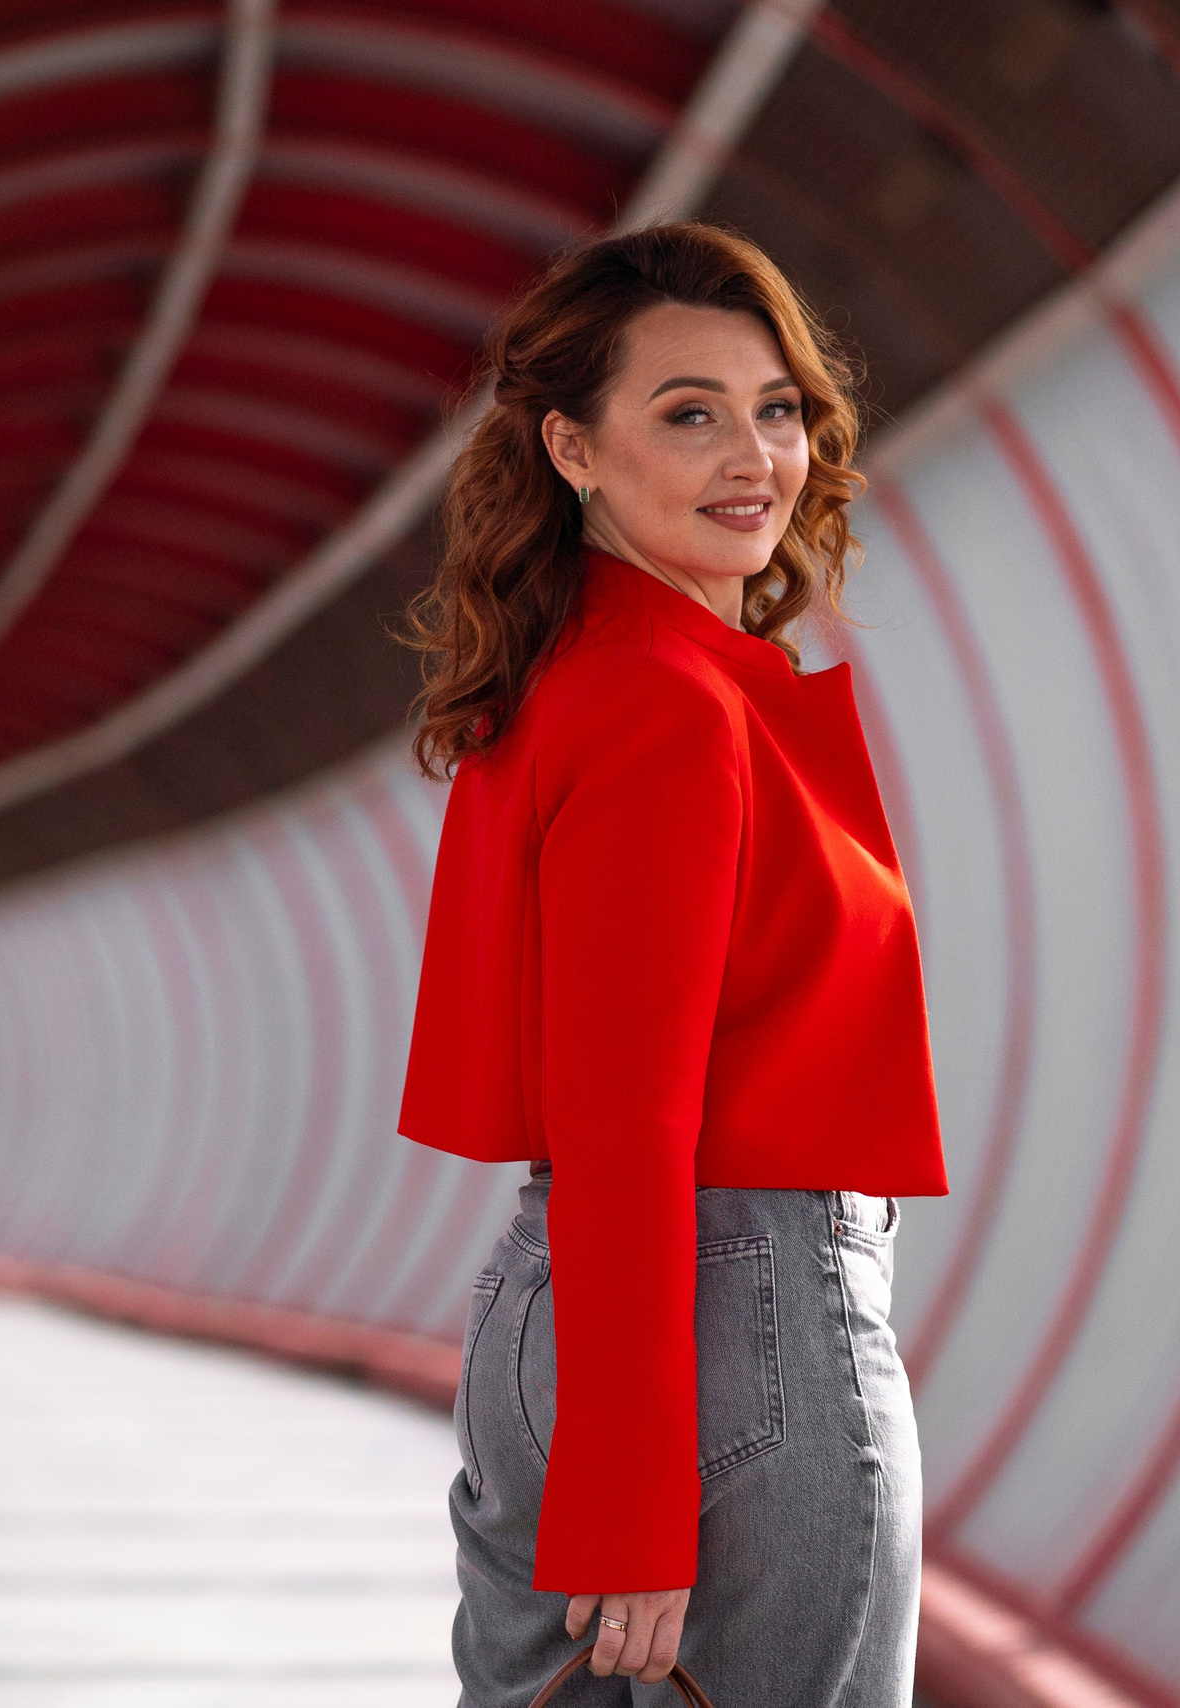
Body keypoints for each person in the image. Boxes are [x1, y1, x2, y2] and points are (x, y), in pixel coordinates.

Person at [397, 221, 949, 1708]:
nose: (752, 456)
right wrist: (632, 1503)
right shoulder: (668, 709)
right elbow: (630, 1114)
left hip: (568, 1312)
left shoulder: (573, 678)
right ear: (573, 448)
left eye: (775, 409)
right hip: (736, 1321)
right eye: (688, 413)